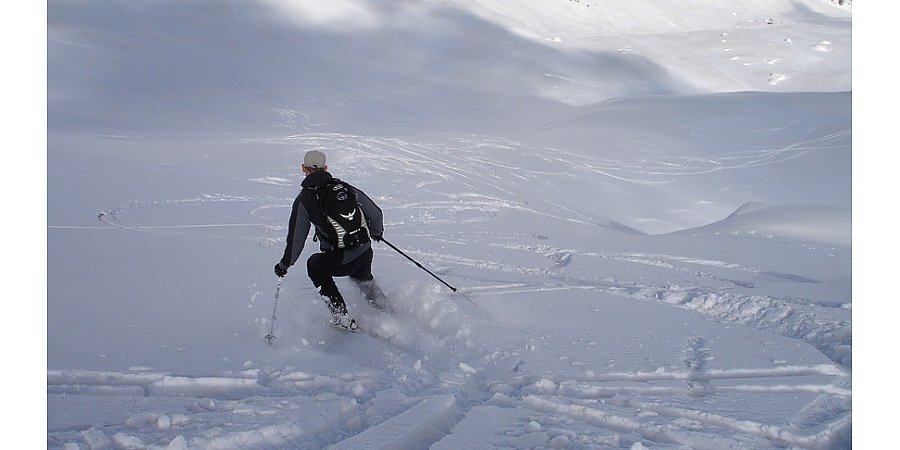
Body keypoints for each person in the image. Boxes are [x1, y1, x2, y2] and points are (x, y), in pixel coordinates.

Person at [275, 150, 389, 325]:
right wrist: (376, 232)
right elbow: (375, 213)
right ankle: (387, 311)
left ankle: (341, 316)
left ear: (303, 168)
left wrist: (284, 265)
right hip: (365, 250)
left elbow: (296, 239)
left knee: (314, 266)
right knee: (362, 277)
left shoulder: (305, 199)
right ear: (326, 167)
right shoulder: (344, 186)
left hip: (341, 258)